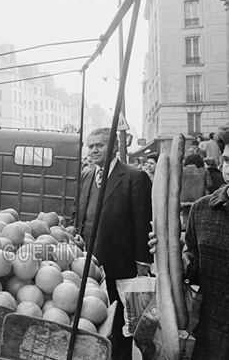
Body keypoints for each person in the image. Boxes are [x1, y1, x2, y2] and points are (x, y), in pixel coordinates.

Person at [70, 127, 153, 360]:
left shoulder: (134, 177)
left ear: (114, 147)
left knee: (119, 323)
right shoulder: (87, 175)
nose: (93, 150)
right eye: (90, 146)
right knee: (91, 317)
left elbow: (142, 222)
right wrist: (75, 232)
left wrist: (142, 262)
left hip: (119, 263)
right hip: (87, 263)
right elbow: (78, 211)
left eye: (99, 145)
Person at [148, 126, 229, 360]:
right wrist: (172, 258)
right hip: (211, 341)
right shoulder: (203, 209)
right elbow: (193, 266)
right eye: (225, 160)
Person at [180, 153, 211, 229]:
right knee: (198, 215)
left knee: (186, 215)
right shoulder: (204, 170)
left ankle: (185, 229)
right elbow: (210, 184)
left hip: (184, 198)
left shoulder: (182, 170)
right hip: (199, 197)